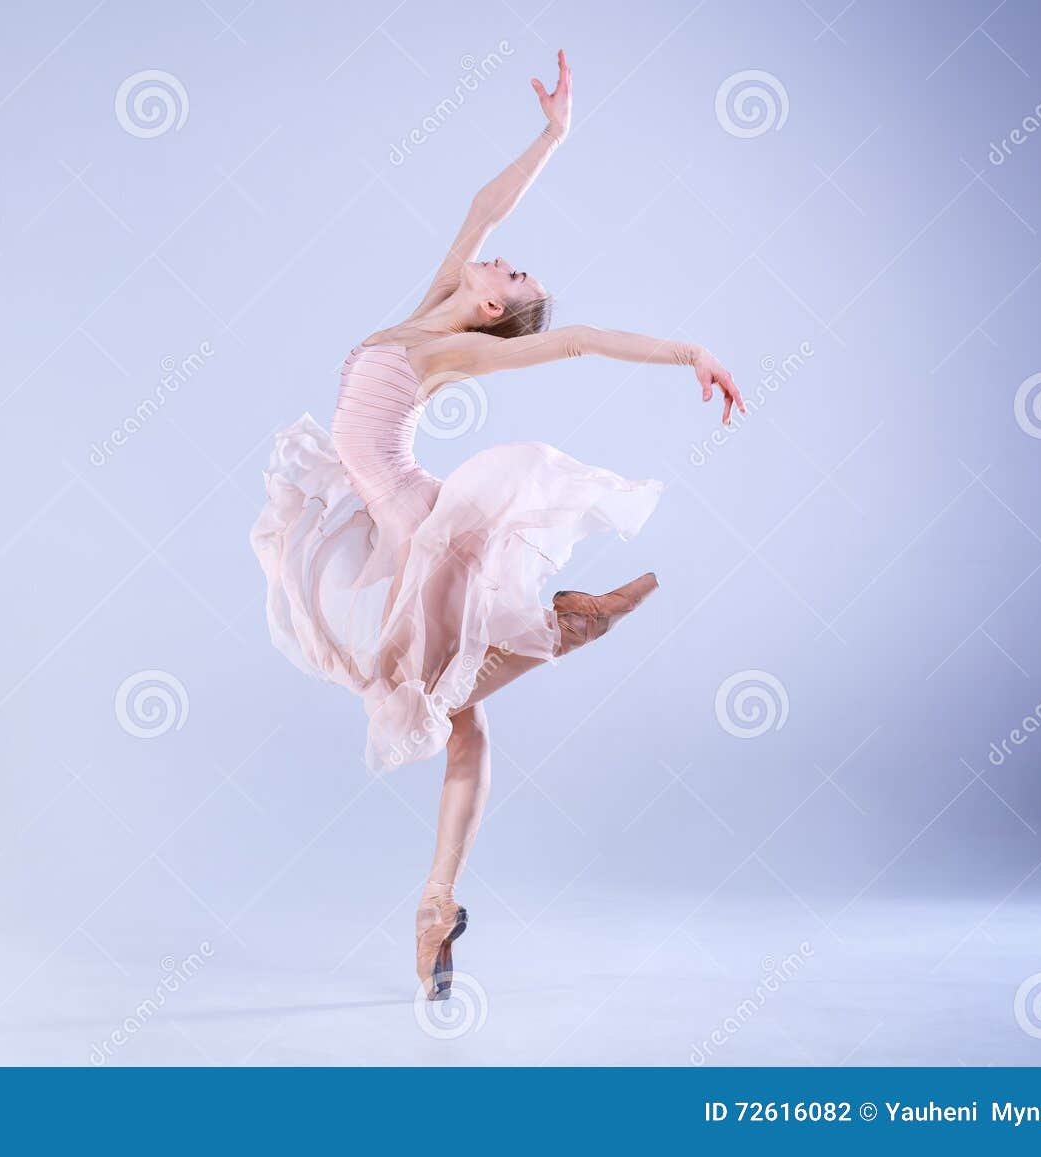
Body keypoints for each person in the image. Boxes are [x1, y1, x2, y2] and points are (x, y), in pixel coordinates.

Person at [250, 50, 741, 1000]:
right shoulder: (431, 306)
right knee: (461, 726)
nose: (505, 260)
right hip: (389, 519)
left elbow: (581, 339)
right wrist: (554, 135)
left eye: (510, 275)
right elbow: (485, 206)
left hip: (415, 526)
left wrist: (690, 352)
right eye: (513, 266)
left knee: (446, 691)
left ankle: (564, 620)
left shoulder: (460, 349)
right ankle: (437, 905)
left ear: (490, 308)